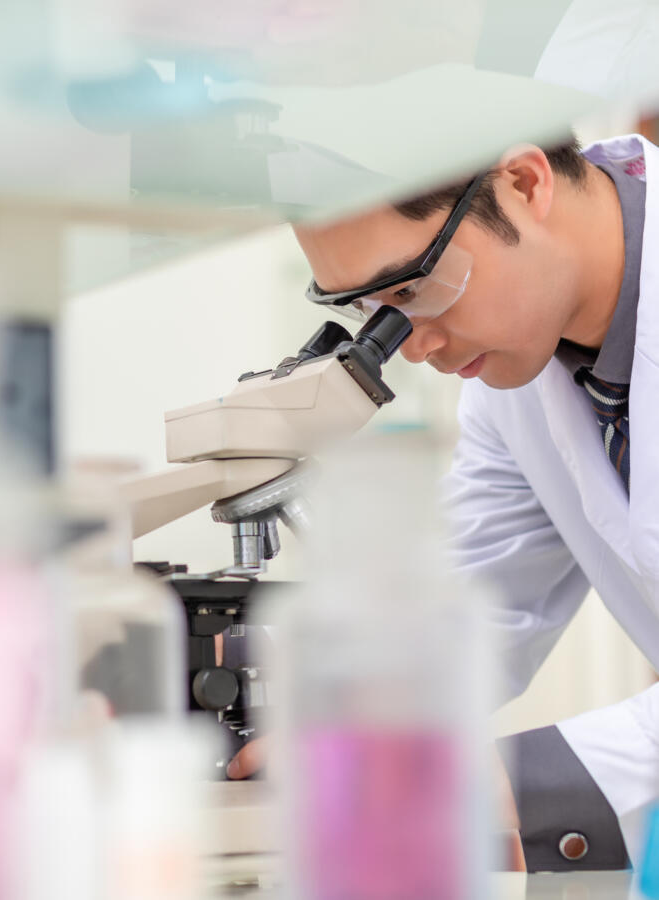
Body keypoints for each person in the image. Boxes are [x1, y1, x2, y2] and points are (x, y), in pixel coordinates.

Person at [228, 132, 659, 873]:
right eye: (371, 308)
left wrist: (463, 783)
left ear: (524, 184)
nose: (415, 345)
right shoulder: (518, 375)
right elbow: (482, 598)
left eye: (413, 288)